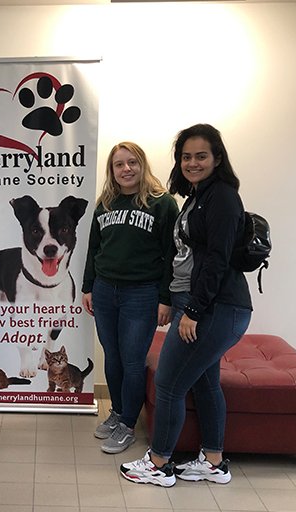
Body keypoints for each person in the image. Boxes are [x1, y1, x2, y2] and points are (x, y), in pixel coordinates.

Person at [120, 124, 252, 487]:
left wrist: (193, 311)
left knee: (168, 383)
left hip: (214, 308)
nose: (193, 163)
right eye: (186, 157)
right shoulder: (197, 195)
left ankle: (160, 463)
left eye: (201, 156)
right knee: (205, 384)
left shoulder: (223, 197)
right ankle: (213, 462)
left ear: (217, 158)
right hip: (201, 304)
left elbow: (218, 260)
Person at [82, 142, 178, 455]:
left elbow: (172, 256)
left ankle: (127, 424)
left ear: (142, 165)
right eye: (119, 164)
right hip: (105, 290)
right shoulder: (105, 203)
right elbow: (94, 248)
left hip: (142, 294)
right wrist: (88, 287)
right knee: (113, 356)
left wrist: (166, 298)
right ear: (112, 170)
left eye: (132, 162)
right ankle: (118, 412)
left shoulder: (162, 203)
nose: (126, 169)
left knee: (133, 361)